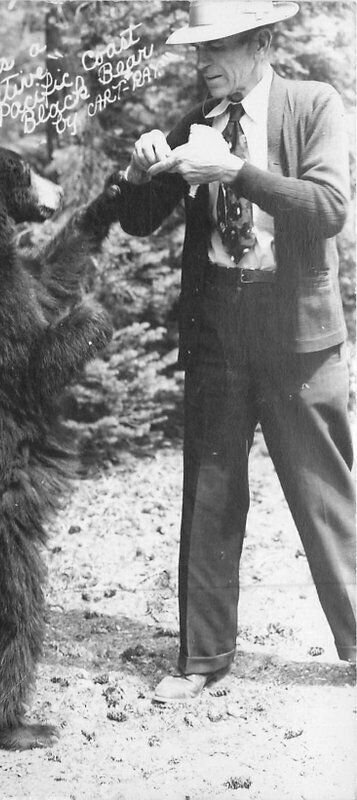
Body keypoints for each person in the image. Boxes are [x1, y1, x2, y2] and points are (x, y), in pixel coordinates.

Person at [116, 0, 356, 702]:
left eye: (213, 48)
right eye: (197, 50)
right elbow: (137, 221)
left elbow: (327, 207)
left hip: (297, 333)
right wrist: (140, 171)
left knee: (325, 494)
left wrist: (234, 172)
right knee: (210, 494)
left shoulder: (312, 103)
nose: (201, 63)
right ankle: (201, 660)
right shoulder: (196, 124)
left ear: (256, 44)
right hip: (218, 327)